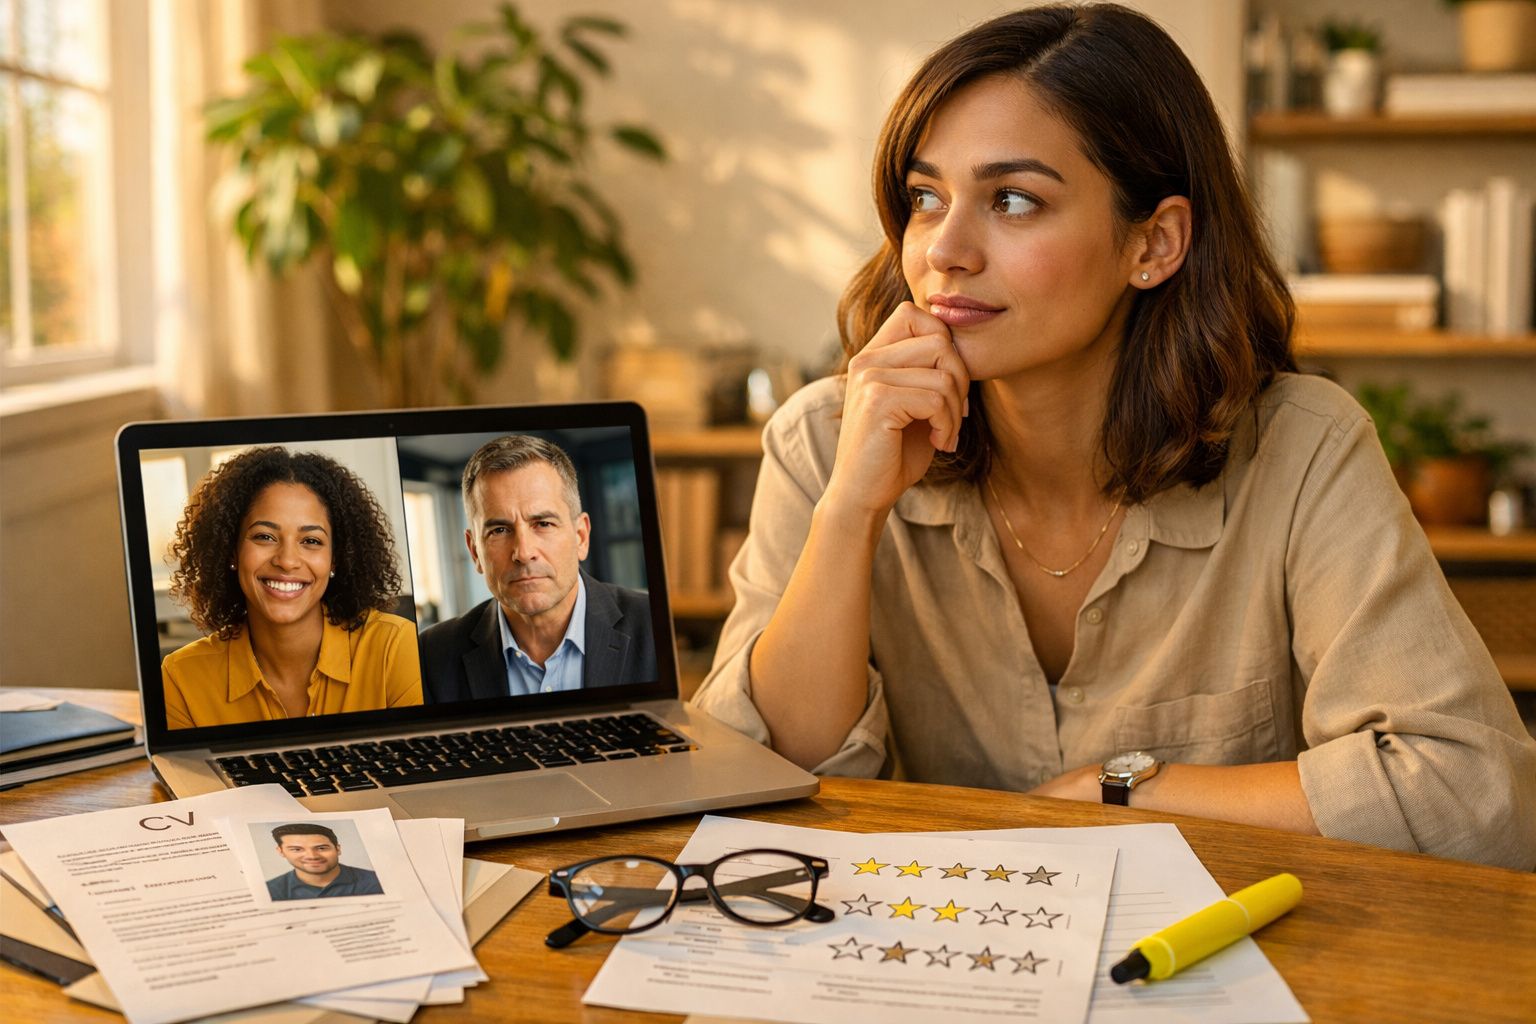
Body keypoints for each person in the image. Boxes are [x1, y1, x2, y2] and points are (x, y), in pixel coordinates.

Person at [692, 4, 1536, 869]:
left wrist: (1125, 792)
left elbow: (1476, 798)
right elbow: (757, 783)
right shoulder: (826, 442)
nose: (945, 250)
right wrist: (849, 513)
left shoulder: (1302, 449)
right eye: (925, 198)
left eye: (1013, 201)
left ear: (1154, 243)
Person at [162, 446, 423, 728]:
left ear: (335, 559)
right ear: (232, 551)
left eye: (311, 541)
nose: (287, 561)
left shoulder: (395, 649)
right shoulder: (181, 678)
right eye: (264, 536)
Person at [420, 434, 657, 701]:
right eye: (499, 530)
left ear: (581, 537)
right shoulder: (430, 655)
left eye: (543, 524)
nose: (523, 553)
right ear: (475, 551)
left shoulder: (654, 626)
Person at [265, 823, 383, 900]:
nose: (312, 856)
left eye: (321, 848)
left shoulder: (377, 881)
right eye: (297, 849)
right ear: (281, 851)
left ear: (338, 849)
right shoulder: (270, 891)